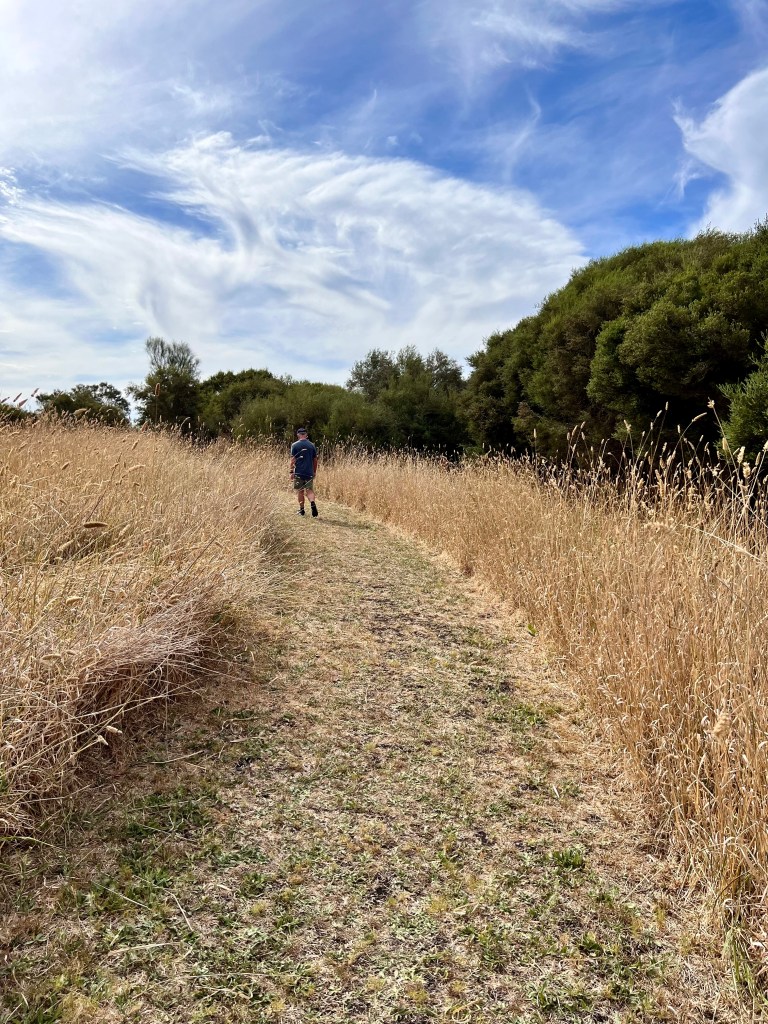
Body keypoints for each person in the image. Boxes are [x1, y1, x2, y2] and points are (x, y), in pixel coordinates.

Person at [290, 427, 319, 517]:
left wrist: (291, 472)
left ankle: (302, 510)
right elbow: (315, 460)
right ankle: (312, 503)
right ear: (306, 435)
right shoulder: (312, 445)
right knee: (309, 490)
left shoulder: (294, 445)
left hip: (299, 472)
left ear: (298, 435)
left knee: (300, 491)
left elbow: (293, 460)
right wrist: (314, 471)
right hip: (309, 472)